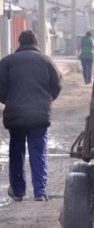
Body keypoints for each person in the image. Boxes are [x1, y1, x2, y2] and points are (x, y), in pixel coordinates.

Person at [0, 30, 62, 202]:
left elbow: (0, 88)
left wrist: (10, 101)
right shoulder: (46, 61)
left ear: (19, 43)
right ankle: (40, 192)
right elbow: (57, 85)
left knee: (16, 152)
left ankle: (18, 192)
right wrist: (45, 101)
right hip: (39, 115)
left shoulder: (7, 62)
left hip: (16, 115)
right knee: (38, 151)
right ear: (36, 43)